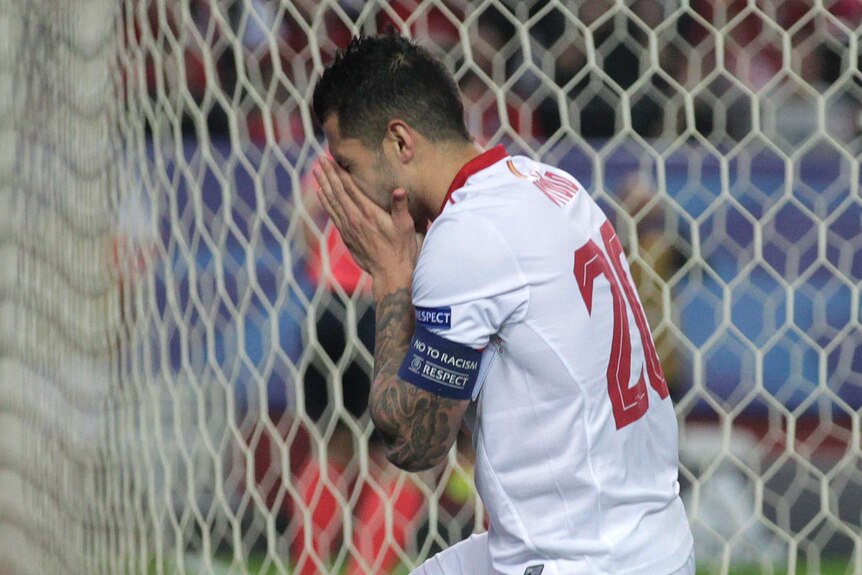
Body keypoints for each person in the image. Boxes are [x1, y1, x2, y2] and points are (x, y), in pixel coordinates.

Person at [310, 32, 695, 575]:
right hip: (648, 537)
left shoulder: (469, 235)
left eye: (347, 168)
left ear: (400, 143)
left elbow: (414, 443)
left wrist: (391, 276)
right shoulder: (549, 184)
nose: (344, 195)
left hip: (585, 559)